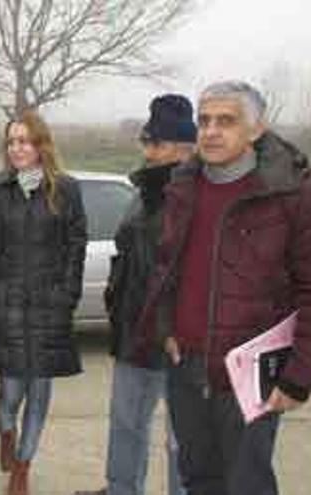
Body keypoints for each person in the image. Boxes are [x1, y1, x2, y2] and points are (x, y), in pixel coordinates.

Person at [133, 81, 311, 495]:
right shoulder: (182, 186)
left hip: (249, 374)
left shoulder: (290, 194)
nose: (211, 131)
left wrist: (298, 375)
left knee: (246, 484)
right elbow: (165, 269)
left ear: (255, 129)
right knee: (198, 480)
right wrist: (165, 329)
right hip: (187, 367)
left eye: (226, 121)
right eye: (204, 121)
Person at [75, 94, 195, 495]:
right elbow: (129, 260)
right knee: (125, 425)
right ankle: (121, 489)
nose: (147, 150)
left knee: (183, 440)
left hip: (178, 340)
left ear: (183, 148)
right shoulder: (142, 196)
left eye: (155, 143)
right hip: (133, 333)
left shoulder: (194, 197)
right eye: (145, 141)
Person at [0, 110, 87, 495]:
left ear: (41, 145)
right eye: (11, 141)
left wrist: (67, 295)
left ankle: (22, 466)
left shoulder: (66, 189)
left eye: (24, 140)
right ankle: (7, 433)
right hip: (6, 304)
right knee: (9, 394)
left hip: (48, 307)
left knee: (38, 394)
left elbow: (76, 245)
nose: (17, 148)